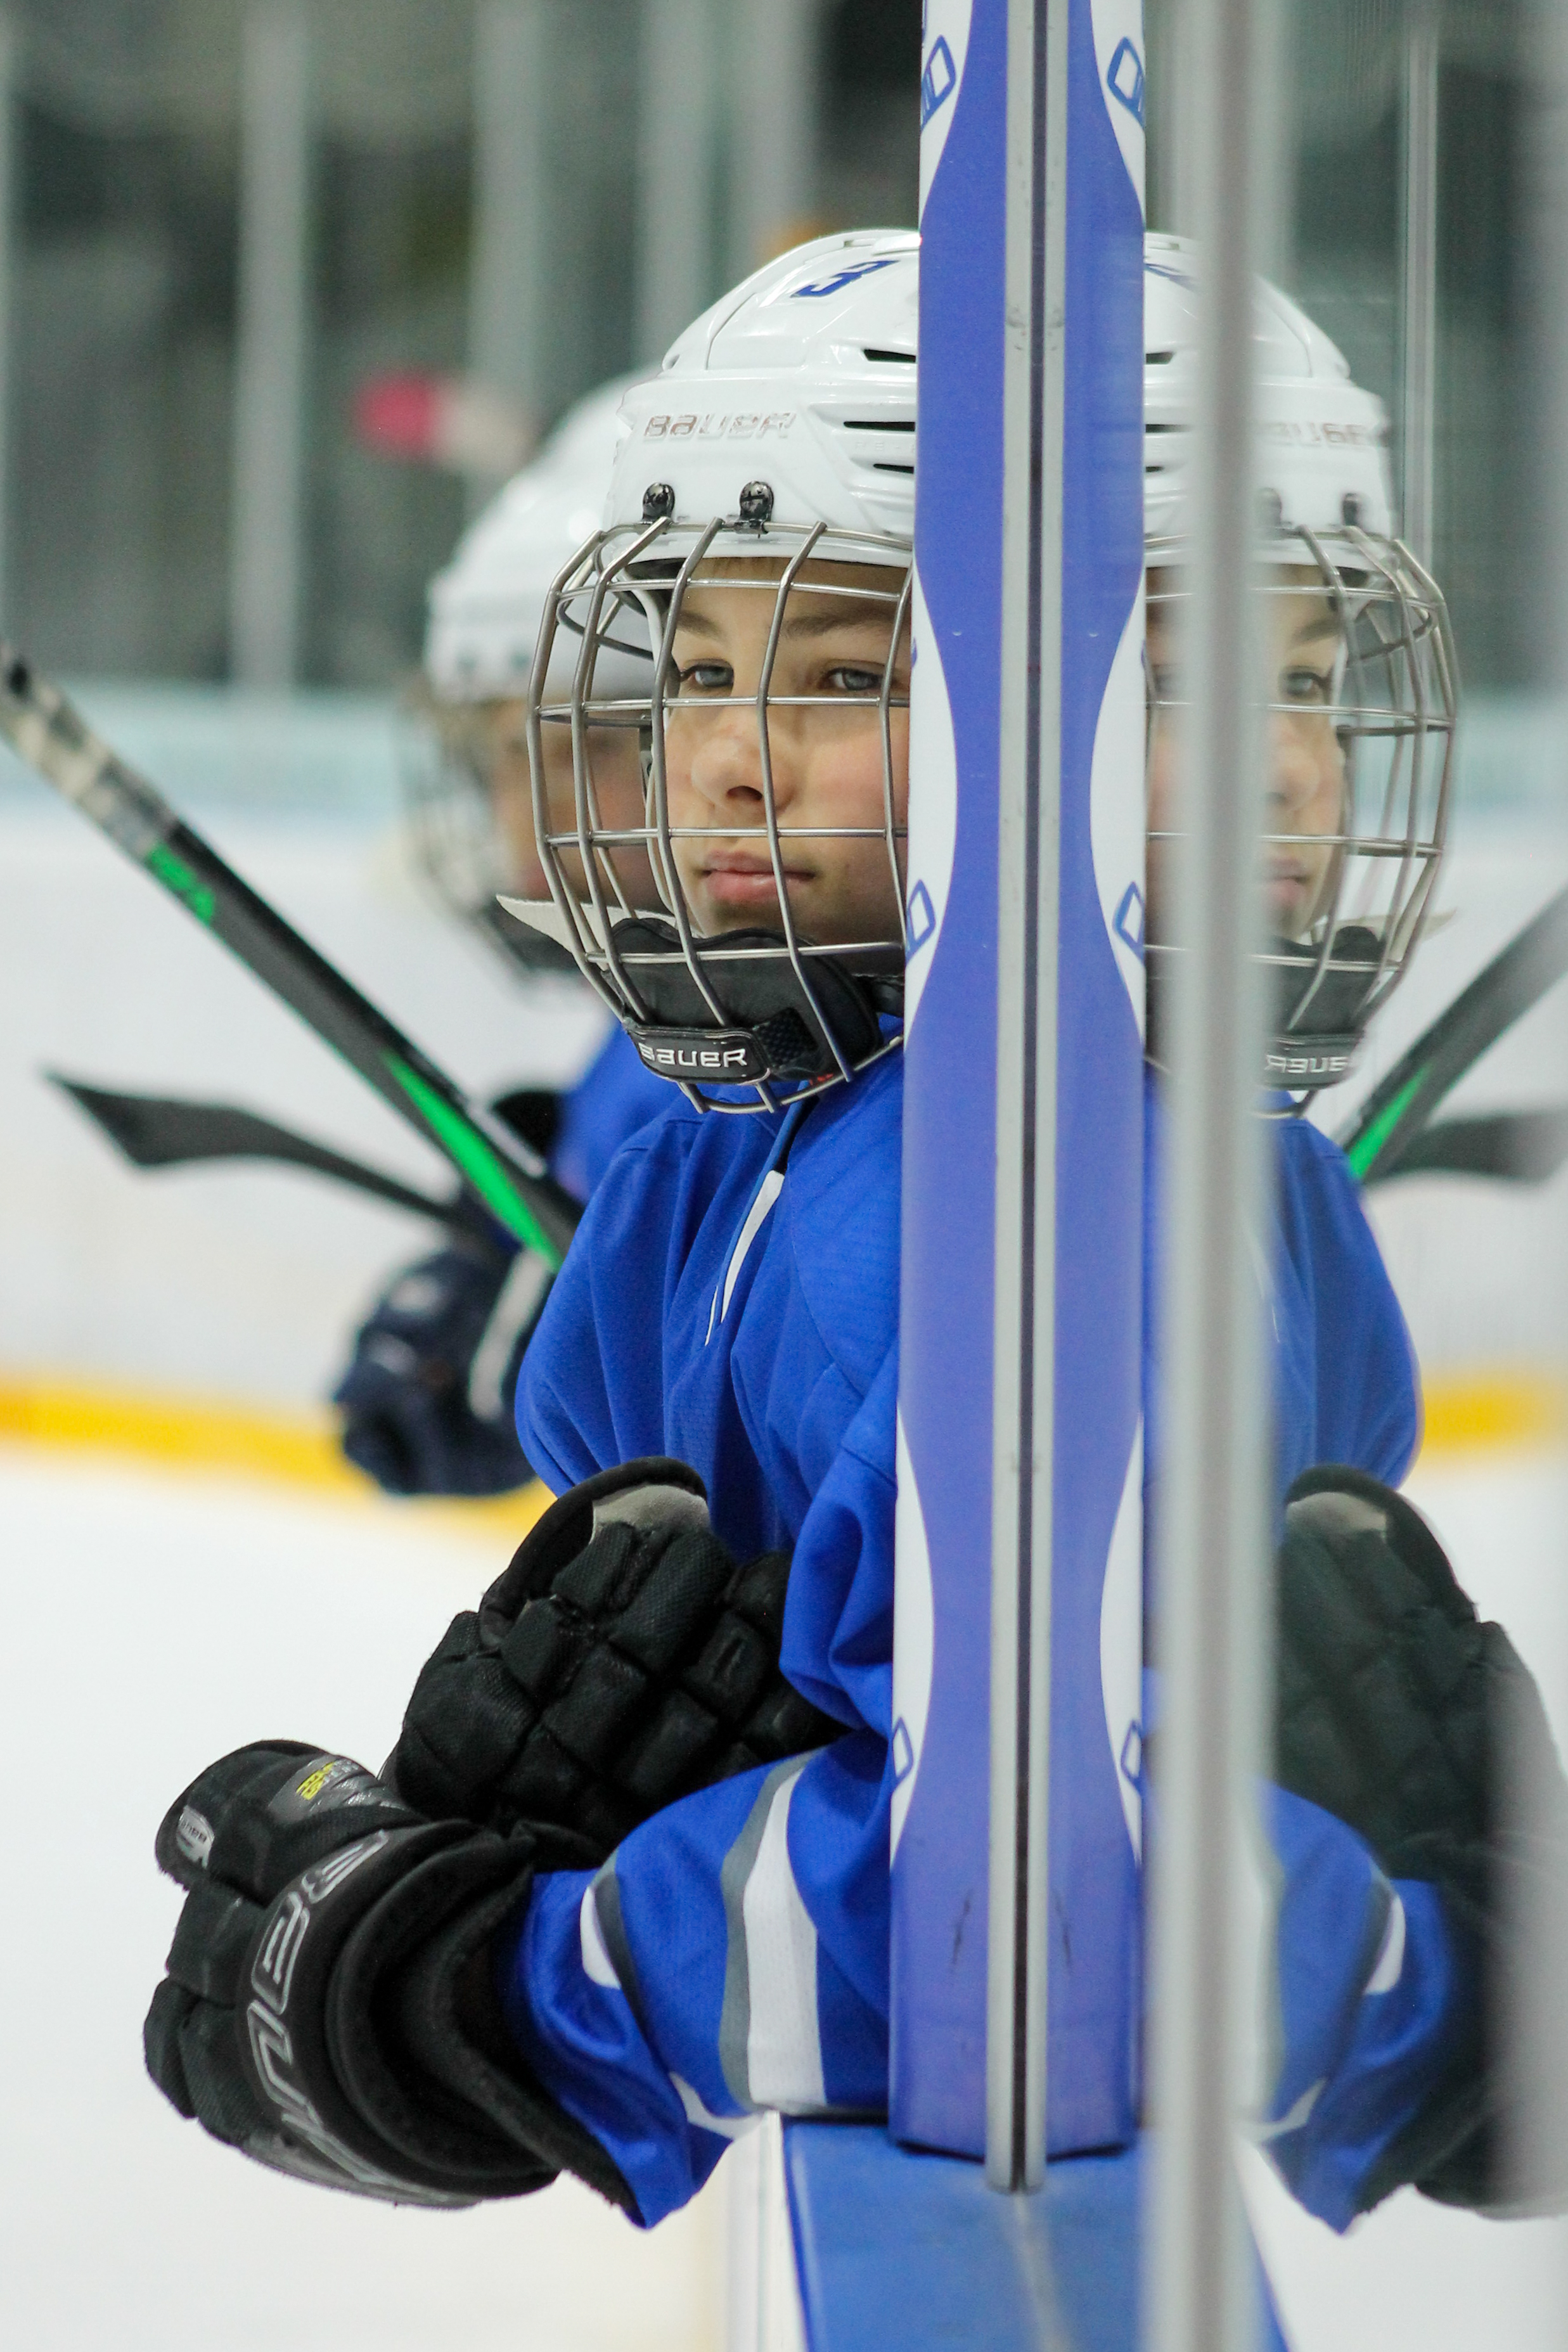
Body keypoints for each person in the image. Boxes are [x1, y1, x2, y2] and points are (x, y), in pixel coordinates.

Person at [145, 233, 1501, 2242]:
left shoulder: (1045, 1214)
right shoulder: (767, 1127)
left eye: (851, 675)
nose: (722, 752)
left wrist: (503, 1995)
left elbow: (1030, 1928)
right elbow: (648, 1510)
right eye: (698, 668)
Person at [332, 378, 670, 1496]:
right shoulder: (656, 1037)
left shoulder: (803, 1059)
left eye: (568, 748)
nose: (515, 825)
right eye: (495, 765)